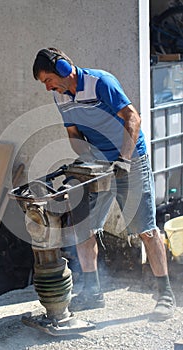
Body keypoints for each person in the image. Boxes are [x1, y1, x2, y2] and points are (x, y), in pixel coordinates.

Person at [32, 47, 176, 321]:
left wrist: (123, 159)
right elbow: (74, 135)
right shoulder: (59, 97)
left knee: (145, 229)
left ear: (63, 69)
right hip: (97, 166)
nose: (48, 86)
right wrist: (81, 165)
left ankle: (165, 295)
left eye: (48, 79)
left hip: (130, 160)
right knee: (83, 228)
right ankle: (93, 293)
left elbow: (133, 118)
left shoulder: (100, 82)